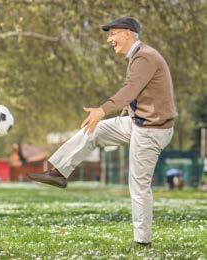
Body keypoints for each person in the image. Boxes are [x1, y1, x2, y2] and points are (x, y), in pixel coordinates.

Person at [27, 17, 176, 247]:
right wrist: (119, 114)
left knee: (138, 186)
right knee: (94, 129)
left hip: (152, 130)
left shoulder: (145, 57)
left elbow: (130, 90)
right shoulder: (138, 56)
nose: (109, 39)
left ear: (128, 33)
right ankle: (58, 172)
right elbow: (139, 93)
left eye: (113, 34)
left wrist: (103, 110)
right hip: (138, 123)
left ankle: (142, 242)